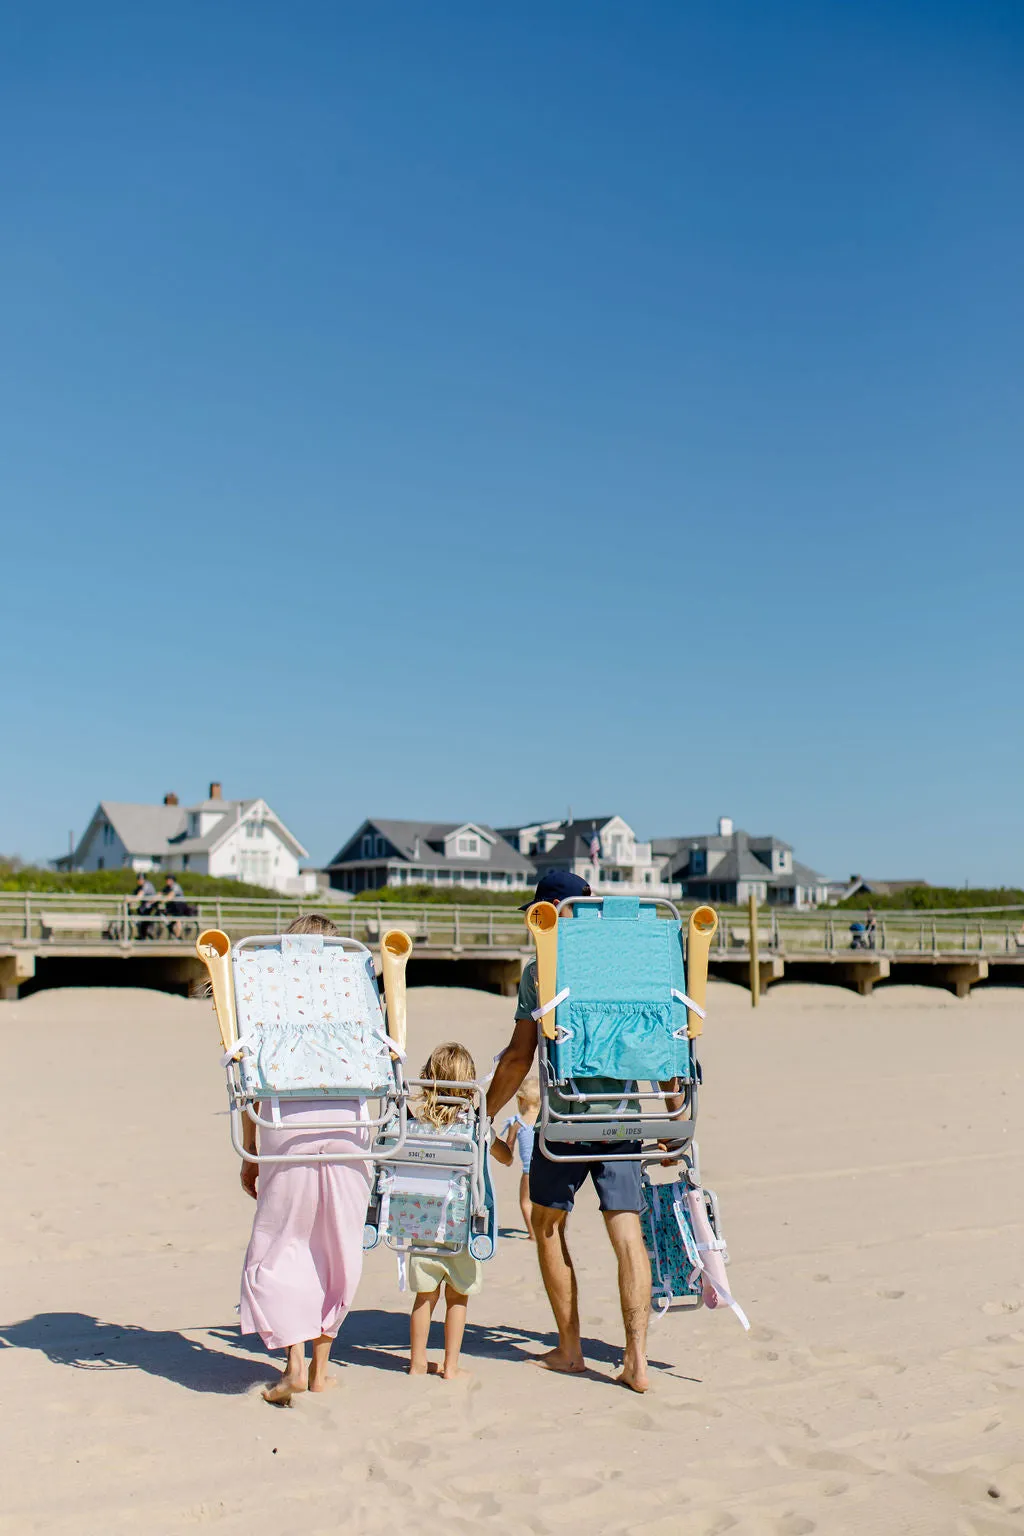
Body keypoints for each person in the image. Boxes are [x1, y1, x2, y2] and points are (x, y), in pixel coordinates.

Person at [486, 870, 678, 1394]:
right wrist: (674, 1109)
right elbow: (658, 1040)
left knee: (547, 1225)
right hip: (621, 1119)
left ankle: (570, 1349)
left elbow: (519, 1055)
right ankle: (635, 1359)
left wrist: (484, 1111)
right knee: (626, 1234)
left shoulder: (540, 972)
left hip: (566, 1123)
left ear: (550, 913)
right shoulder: (627, 967)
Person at [238, 913, 374, 1404]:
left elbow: (247, 1087)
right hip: (350, 1116)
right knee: (338, 1242)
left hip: (283, 1118)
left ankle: (293, 1365)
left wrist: (251, 1155)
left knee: (285, 1242)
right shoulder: (353, 986)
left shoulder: (267, 996)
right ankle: (321, 1368)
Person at [407, 1042, 483, 1381]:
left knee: (425, 1296)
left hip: (420, 1221)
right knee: (458, 1296)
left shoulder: (413, 1124)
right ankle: (450, 1366)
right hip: (459, 1223)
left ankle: (417, 1362)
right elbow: (500, 1155)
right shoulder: (473, 1127)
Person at [491, 1077, 539, 1238]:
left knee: (526, 1202)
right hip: (546, 1167)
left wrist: (509, 1160)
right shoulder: (544, 1120)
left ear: (520, 1099)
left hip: (528, 1171)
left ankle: (533, 1234)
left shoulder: (517, 1123)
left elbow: (509, 1146)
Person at [160, 873, 188, 939]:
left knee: (177, 919)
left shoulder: (176, 886)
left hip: (180, 905)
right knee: (166, 915)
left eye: (169, 880)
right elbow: (160, 893)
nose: (167, 881)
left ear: (172, 880)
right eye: (166, 880)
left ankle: (178, 936)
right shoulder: (167, 887)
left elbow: (170, 896)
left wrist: (163, 900)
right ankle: (172, 931)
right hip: (173, 905)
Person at [131, 872, 157, 940]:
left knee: (144, 915)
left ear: (144, 880)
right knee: (139, 912)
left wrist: (130, 900)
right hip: (145, 904)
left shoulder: (146, 885)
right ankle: (142, 934)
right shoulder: (140, 886)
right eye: (138, 879)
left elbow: (139, 896)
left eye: (141, 879)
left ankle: (145, 933)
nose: (139, 881)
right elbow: (134, 894)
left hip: (151, 904)